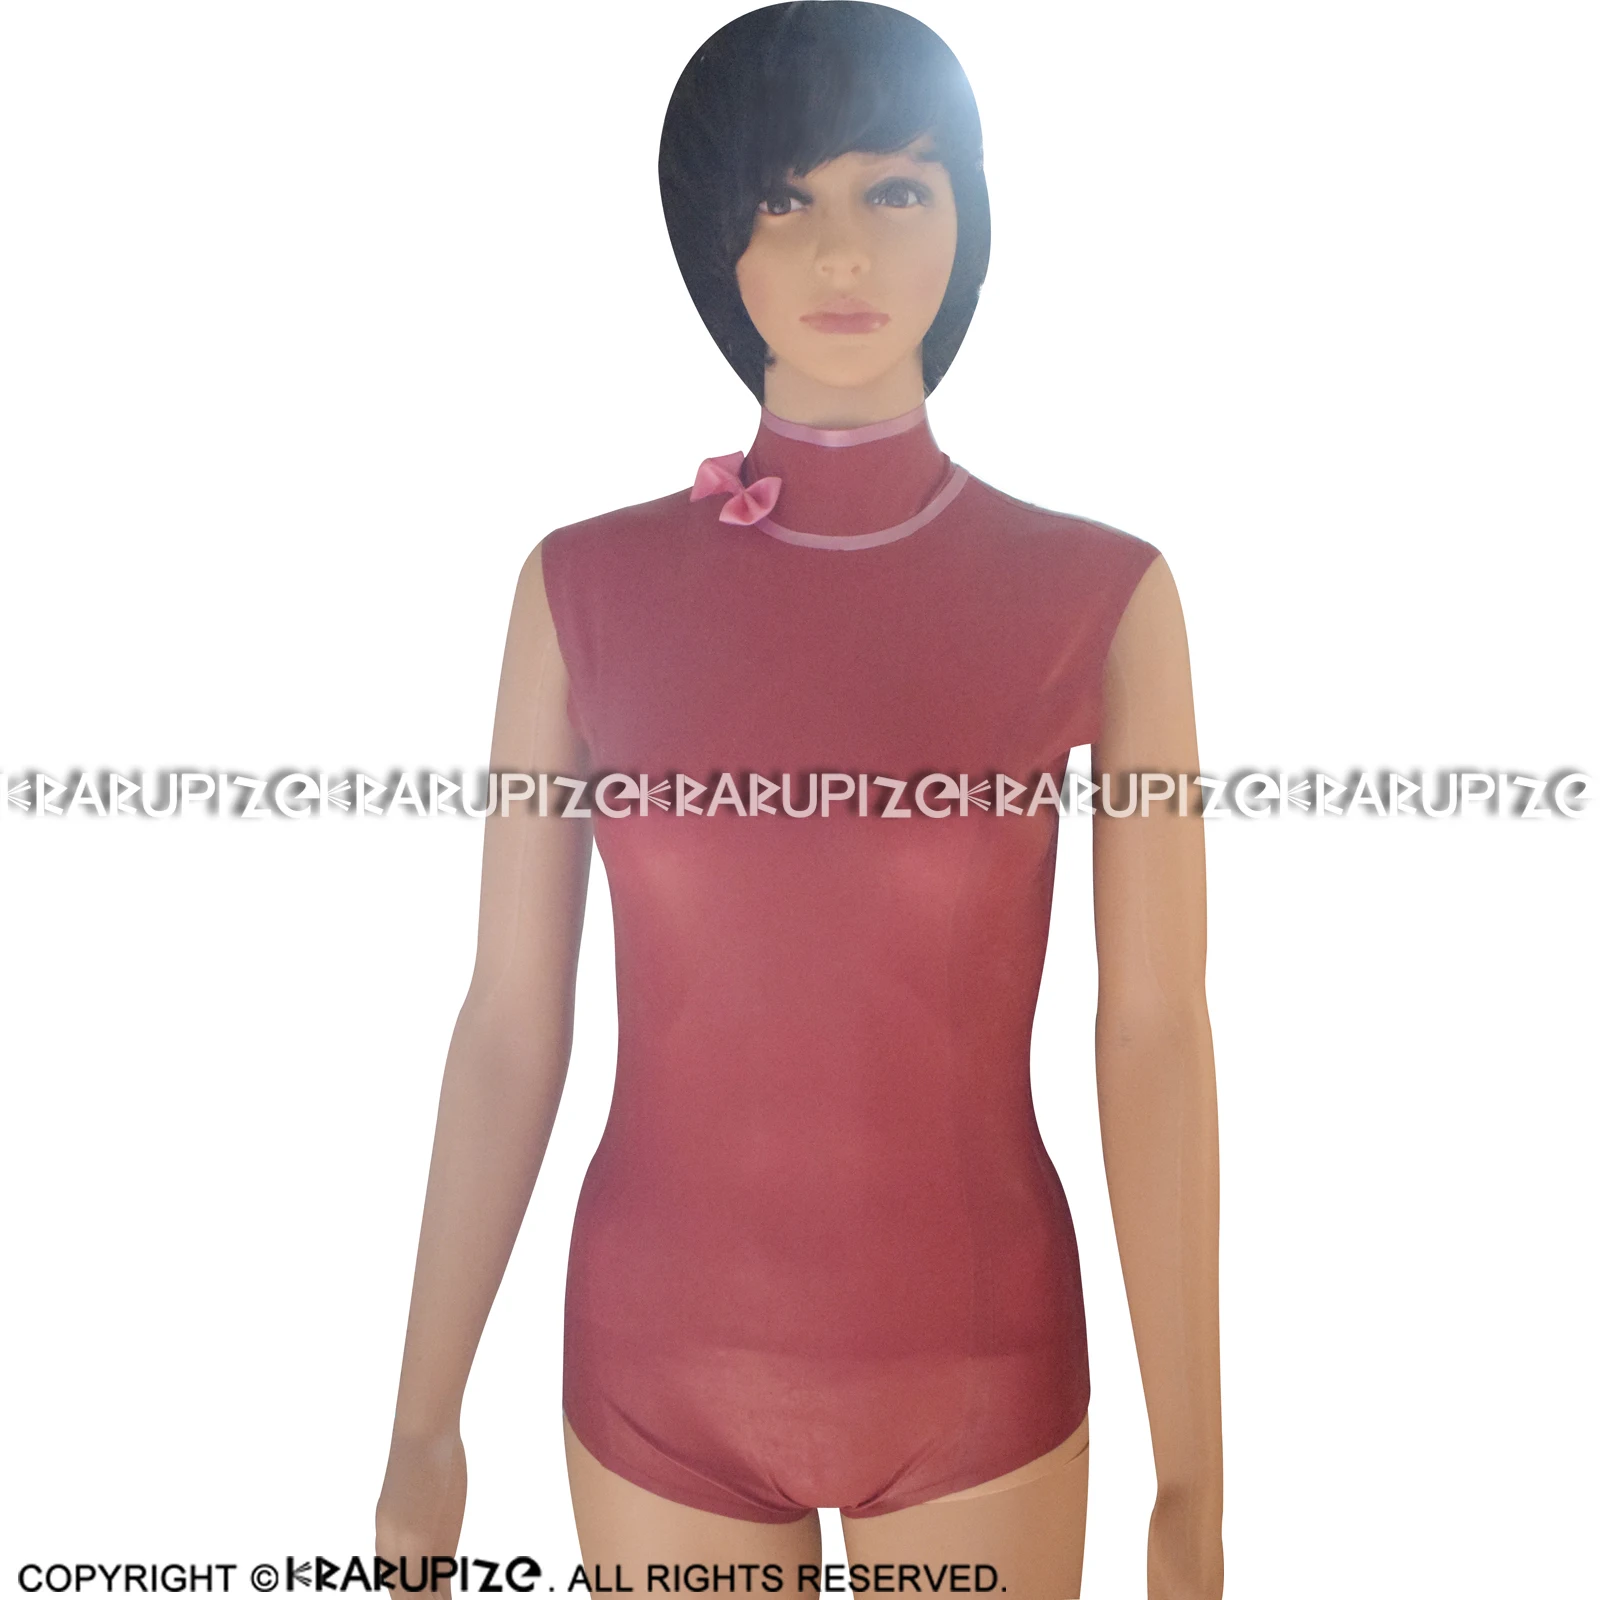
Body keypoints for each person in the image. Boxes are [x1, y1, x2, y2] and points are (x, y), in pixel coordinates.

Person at [376, 6, 1222, 1596]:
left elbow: (1157, 1031)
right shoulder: (581, 590)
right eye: (786, 196)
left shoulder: (1099, 599)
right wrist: (424, 1424)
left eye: (898, 188)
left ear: (969, 221)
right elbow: (507, 1022)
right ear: (718, 240)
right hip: (654, 1365)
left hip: (976, 1364)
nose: (844, 250)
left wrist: (1195, 1484)